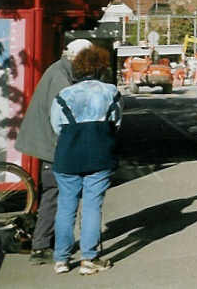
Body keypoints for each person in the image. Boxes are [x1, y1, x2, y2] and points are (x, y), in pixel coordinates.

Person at [15, 38, 93, 265]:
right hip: (51, 145)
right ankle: (41, 247)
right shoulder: (61, 76)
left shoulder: (60, 69)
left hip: (46, 141)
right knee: (53, 194)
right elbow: (62, 114)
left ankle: (48, 242)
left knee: (54, 193)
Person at [50, 45, 122, 276]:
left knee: (66, 206)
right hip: (99, 154)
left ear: (78, 68)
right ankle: (88, 259)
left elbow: (56, 126)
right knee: (92, 206)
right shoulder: (111, 92)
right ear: (101, 68)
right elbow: (117, 122)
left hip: (68, 156)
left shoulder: (63, 95)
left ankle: (61, 259)